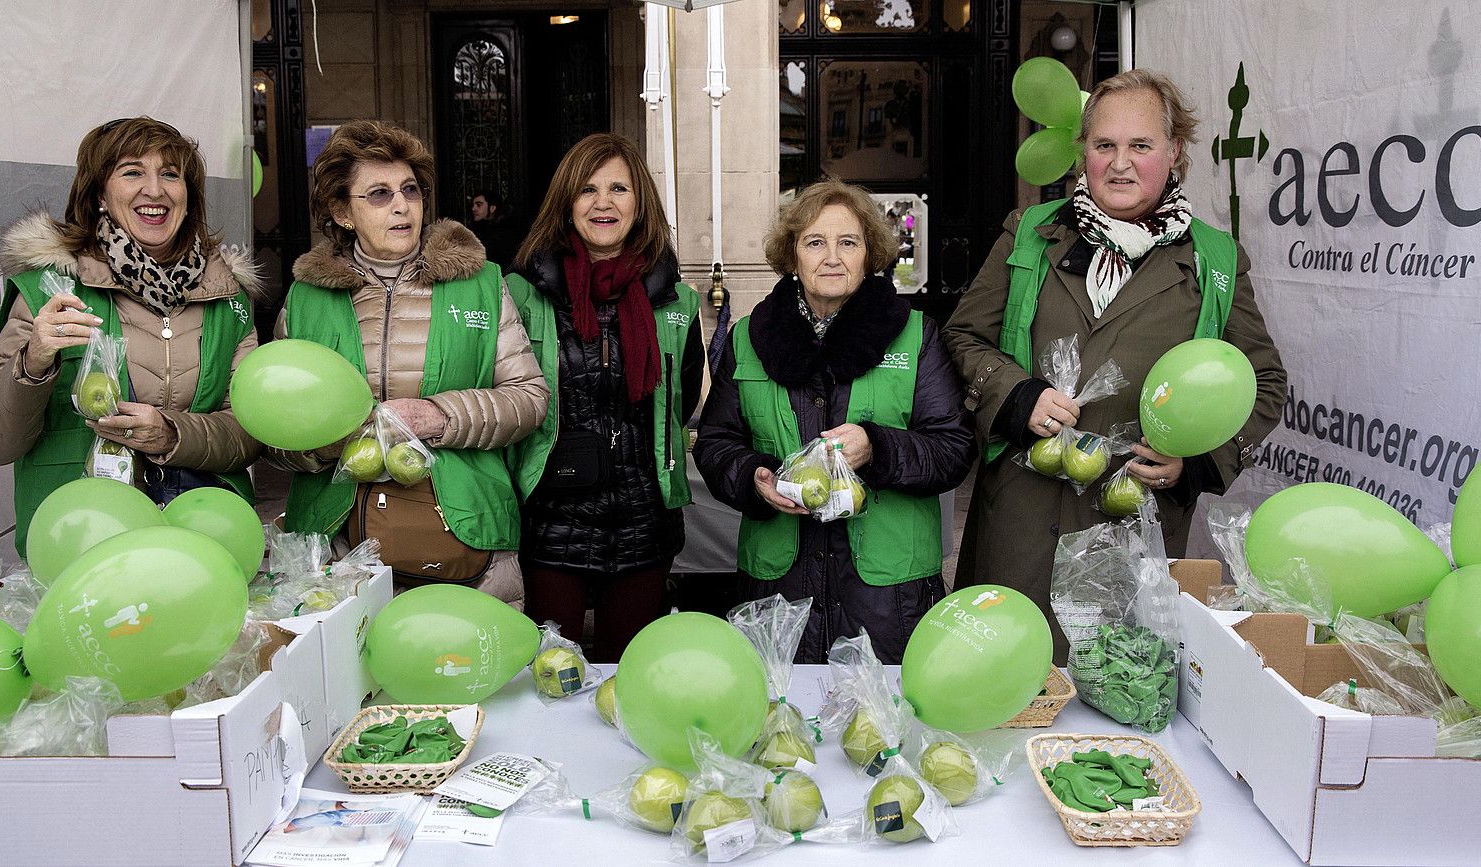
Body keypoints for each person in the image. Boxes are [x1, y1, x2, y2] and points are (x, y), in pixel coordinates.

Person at [944, 69, 1287, 659]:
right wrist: (1017, 395)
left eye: (1140, 146)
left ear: (1175, 151)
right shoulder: (1029, 235)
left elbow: (1266, 383)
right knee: (1006, 682)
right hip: (1021, 521)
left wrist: (1198, 463)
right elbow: (964, 335)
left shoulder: (1215, 261)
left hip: (1131, 527)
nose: (1120, 163)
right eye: (1104, 145)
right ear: (1083, 151)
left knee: (1115, 693)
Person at [270, 120, 548, 606]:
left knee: (460, 670)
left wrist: (438, 417)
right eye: (378, 194)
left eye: (410, 190)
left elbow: (529, 398)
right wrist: (323, 442)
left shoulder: (479, 283)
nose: (402, 205)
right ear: (341, 212)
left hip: (464, 536)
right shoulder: (306, 297)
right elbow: (270, 427)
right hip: (337, 546)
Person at [694, 179, 974, 664]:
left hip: (888, 598)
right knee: (780, 726)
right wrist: (753, 477)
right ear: (792, 254)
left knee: (882, 730)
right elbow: (716, 442)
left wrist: (877, 448)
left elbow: (952, 449)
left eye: (849, 242)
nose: (832, 257)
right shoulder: (748, 339)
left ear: (871, 253)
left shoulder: (915, 336)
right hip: (778, 592)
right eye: (815, 242)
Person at [0, 117, 263, 557]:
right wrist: (33, 363)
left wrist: (171, 434)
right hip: (82, 539)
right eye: (132, 172)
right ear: (100, 195)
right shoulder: (50, 289)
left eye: (170, 174)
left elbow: (250, 432)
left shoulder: (227, 296)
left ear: (189, 197)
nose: (156, 190)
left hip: (201, 540)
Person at [506, 133, 704, 663]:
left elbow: (680, 399)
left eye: (620, 188)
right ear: (566, 202)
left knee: (630, 677)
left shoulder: (676, 299)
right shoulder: (522, 294)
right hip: (553, 515)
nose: (604, 202)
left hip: (644, 515)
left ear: (640, 204)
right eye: (588, 188)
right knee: (547, 674)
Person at [469, 188, 520, 268]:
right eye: (473, 205)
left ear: (492, 208)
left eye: (479, 205)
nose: (473, 209)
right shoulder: (477, 228)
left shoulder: (506, 231)